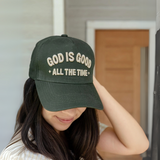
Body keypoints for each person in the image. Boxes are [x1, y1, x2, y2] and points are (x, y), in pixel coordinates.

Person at [0, 34, 149, 160]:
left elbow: (137, 144)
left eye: (79, 99)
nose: (70, 113)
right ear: (36, 94)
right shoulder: (25, 155)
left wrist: (94, 85)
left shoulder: (75, 130)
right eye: (59, 100)